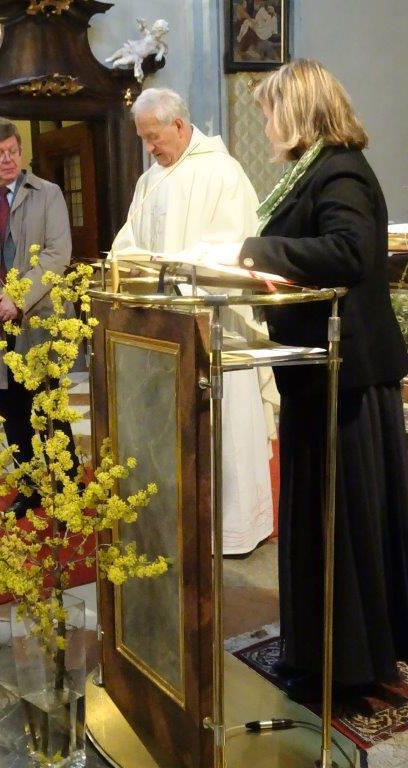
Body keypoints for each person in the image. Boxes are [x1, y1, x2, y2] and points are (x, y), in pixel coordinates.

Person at [192, 59, 408, 698]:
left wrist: (250, 252)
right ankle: (318, 651)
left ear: (298, 111)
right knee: (317, 520)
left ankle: (350, 663)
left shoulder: (340, 169)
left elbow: (349, 253)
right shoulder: (316, 170)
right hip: (319, 373)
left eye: (269, 112)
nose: (265, 124)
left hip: (347, 378)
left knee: (343, 525)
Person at [112, 87, 275, 555]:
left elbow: (235, 246)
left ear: (180, 126)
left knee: (225, 429)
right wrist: (134, 264)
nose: (149, 148)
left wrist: (173, 267)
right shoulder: (150, 181)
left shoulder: (222, 173)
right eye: (143, 138)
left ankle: (235, 530)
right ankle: (181, 524)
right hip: (163, 331)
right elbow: (128, 241)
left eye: (154, 136)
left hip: (214, 325)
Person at [0, 116, 77, 518]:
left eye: (13, 151)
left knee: (50, 407)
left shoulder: (48, 194)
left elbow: (58, 253)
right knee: (13, 413)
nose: (8, 159)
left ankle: (68, 483)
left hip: (39, 318)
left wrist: (18, 299)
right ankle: (29, 487)